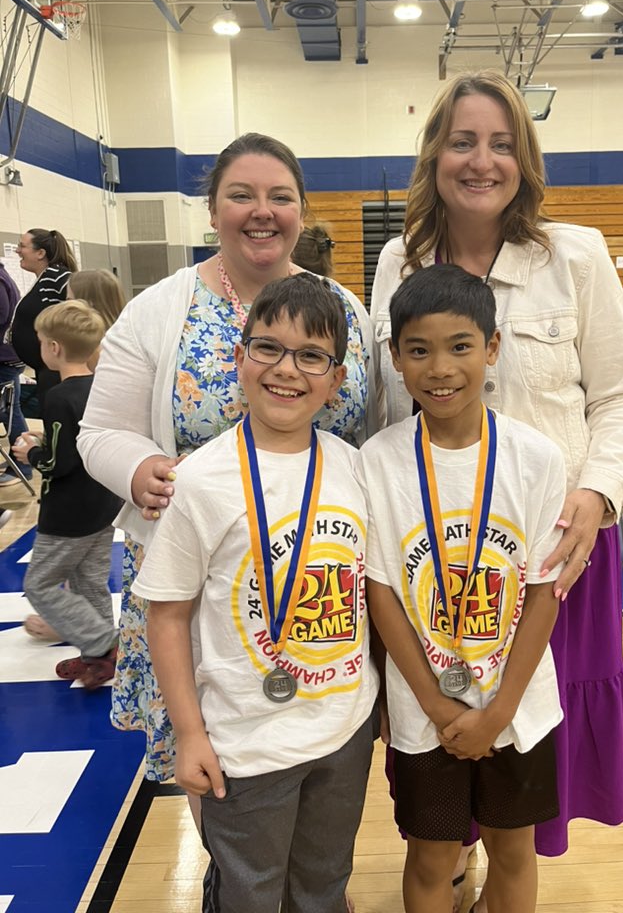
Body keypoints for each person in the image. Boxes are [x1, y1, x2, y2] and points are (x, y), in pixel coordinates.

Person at [370, 71, 623, 882]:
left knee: (529, 724)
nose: (481, 160)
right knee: (441, 717)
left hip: (556, 549)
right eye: (462, 141)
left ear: (524, 159)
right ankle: (450, 852)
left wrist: (596, 494)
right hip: (433, 555)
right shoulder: (398, 260)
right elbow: (388, 401)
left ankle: (512, 865)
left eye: (500, 144)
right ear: (435, 155)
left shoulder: (577, 254)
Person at [78, 131, 380, 787]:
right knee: (211, 756)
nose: (262, 211)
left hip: (319, 573)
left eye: (280, 197)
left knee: (326, 737)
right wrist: (140, 469)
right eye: (242, 195)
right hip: (197, 573)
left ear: (301, 212)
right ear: (213, 210)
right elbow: (99, 431)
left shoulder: (346, 311)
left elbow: (372, 432)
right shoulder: (158, 310)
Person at [133, 273, 378, 912]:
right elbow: (167, 617)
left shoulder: (353, 466)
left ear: (336, 378)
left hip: (344, 728)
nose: (287, 369)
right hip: (245, 743)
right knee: (249, 894)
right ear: (239, 357)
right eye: (268, 348)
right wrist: (189, 734)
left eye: (312, 356)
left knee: (325, 885)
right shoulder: (201, 479)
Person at [360, 264, 566, 913]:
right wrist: (439, 707)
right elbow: (382, 594)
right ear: (395, 358)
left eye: (460, 346)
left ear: (493, 347)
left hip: (518, 703)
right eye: (419, 350)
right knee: (430, 855)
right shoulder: (377, 460)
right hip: (425, 709)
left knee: (513, 850)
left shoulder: (537, 458)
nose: (440, 368)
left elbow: (544, 591)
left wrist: (499, 712)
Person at [12, 301, 121, 689]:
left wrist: (32, 452)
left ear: (54, 348)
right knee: (90, 583)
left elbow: (58, 463)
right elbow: (82, 443)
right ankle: (100, 658)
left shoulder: (59, 397)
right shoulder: (101, 387)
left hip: (68, 515)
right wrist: (49, 440)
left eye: (41, 340)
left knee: (39, 585)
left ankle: (103, 641)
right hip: (103, 504)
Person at [9, 228, 78, 418]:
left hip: (56, 371)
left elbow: (78, 313)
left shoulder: (57, 277)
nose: (17, 250)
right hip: (46, 368)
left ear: (40, 253)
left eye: (22, 246)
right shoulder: (46, 278)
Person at [0, 259, 32, 495]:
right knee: (10, 411)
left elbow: (2, 315)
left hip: (5, 358)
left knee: (9, 412)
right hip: (8, 356)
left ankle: (22, 464)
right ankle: (17, 459)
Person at [68, 269, 127, 368]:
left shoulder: (91, 347)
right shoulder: (126, 337)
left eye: (69, 300)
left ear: (88, 303)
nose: (65, 306)